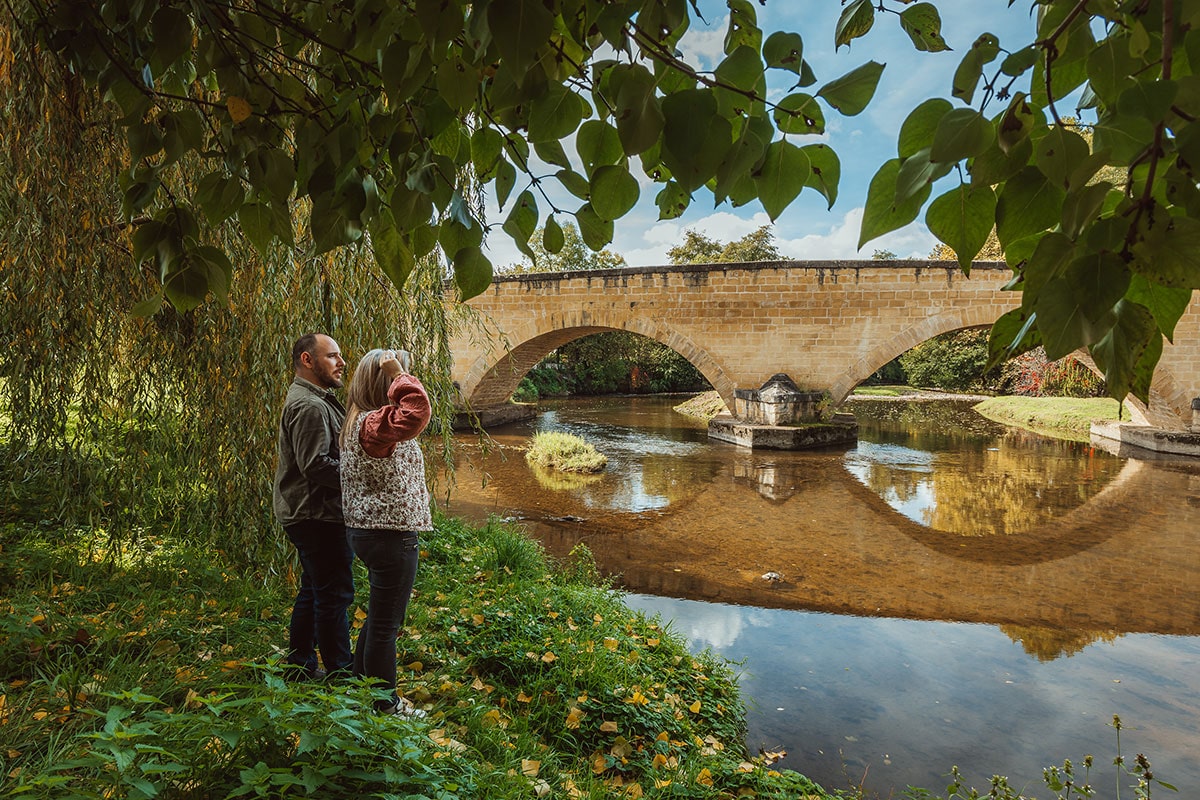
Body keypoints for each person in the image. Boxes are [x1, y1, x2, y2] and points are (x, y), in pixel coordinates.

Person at [339, 348, 432, 716]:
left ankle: (362, 689)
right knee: (385, 626)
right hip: (390, 534)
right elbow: (418, 410)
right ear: (385, 385)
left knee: (378, 617)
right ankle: (385, 704)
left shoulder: (357, 420)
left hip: (366, 530)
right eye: (395, 379)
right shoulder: (375, 423)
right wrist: (397, 373)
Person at [272, 333, 354, 680]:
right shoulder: (310, 406)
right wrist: (362, 476)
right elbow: (315, 465)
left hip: (310, 512)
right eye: (332, 356)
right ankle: (341, 672)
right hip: (316, 514)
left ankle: (300, 664)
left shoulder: (316, 399)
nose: (342, 362)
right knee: (335, 592)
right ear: (307, 360)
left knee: (315, 588)